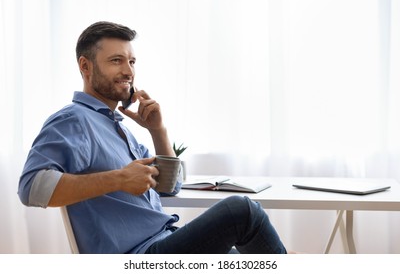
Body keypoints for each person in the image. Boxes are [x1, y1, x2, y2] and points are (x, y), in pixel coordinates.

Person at [18, 21, 288, 254]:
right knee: (242, 212)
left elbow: (170, 187)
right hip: (140, 256)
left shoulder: (117, 126)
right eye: (116, 61)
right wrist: (119, 179)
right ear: (85, 67)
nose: (128, 71)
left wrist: (157, 130)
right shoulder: (73, 120)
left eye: (131, 61)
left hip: (163, 240)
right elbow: (31, 188)